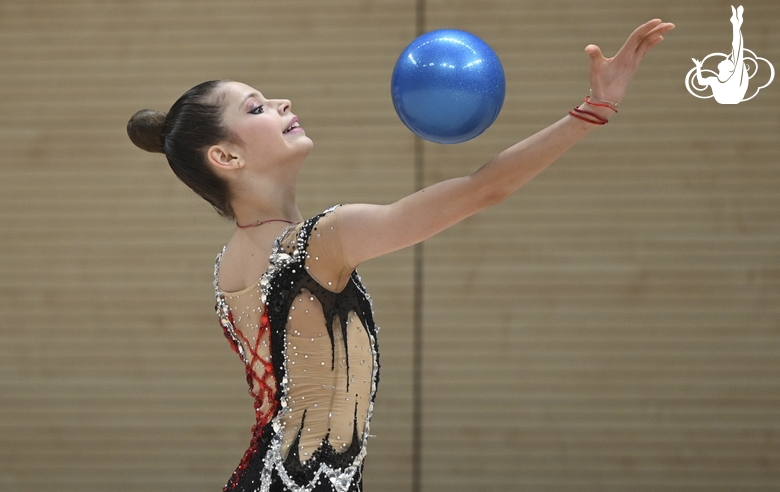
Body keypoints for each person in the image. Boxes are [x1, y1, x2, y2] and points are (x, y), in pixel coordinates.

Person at [127, 19, 674, 492]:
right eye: (256, 107)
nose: (281, 102)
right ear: (225, 156)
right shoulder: (321, 241)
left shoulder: (231, 260)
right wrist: (593, 110)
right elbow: (483, 189)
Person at [692, 5, 748, 104]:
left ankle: (736, 23)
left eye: (728, 61)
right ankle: (736, 23)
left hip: (732, 96)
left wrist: (698, 67)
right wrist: (698, 67)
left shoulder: (734, 77)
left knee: (737, 50)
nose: (725, 59)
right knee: (737, 51)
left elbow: (737, 48)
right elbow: (701, 82)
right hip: (727, 98)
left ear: (729, 69)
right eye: (728, 60)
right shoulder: (715, 80)